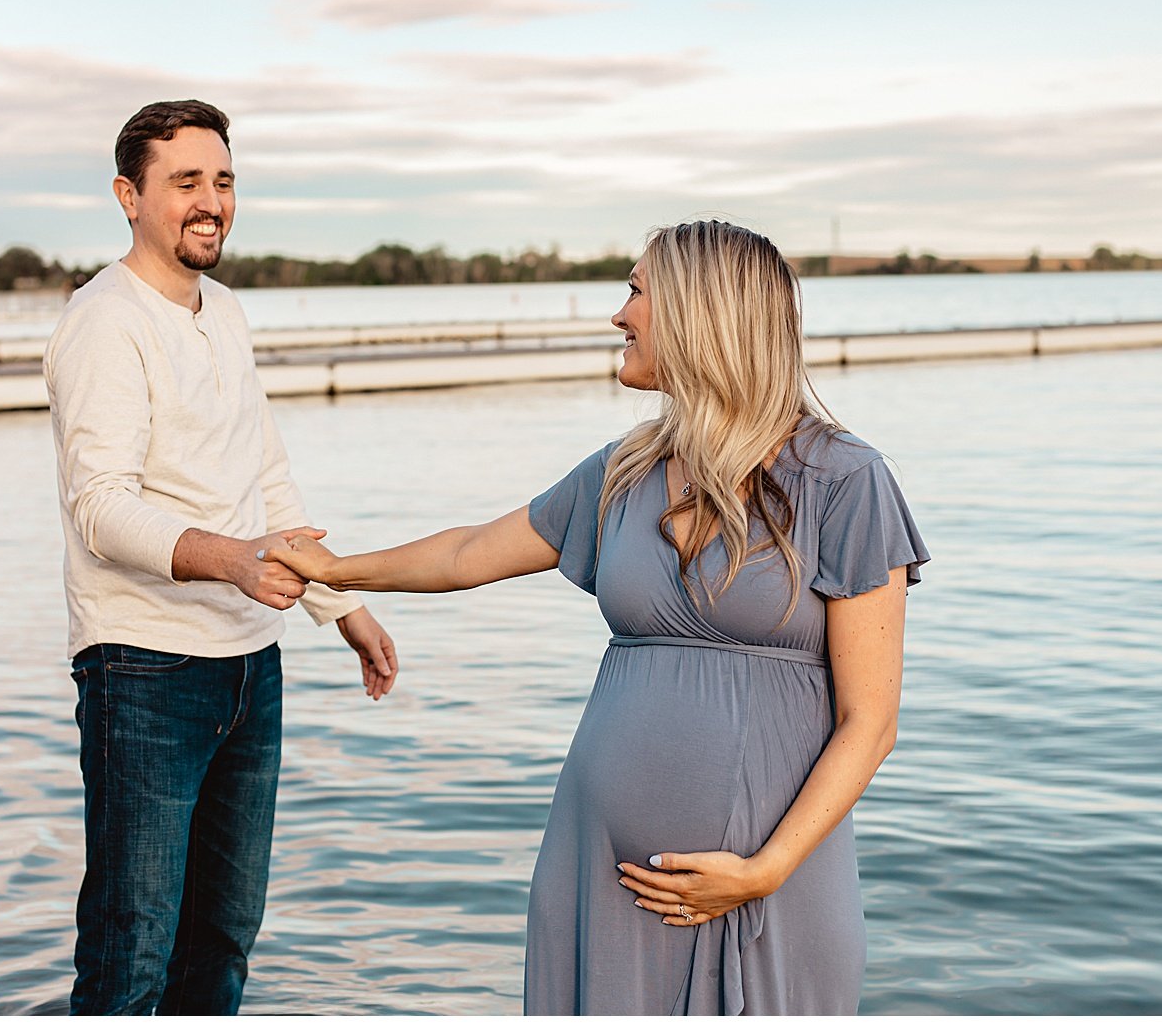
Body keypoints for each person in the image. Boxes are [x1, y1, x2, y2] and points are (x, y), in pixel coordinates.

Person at [264, 219, 928, 1014]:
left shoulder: (844, 480)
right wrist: (337, 569)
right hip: (598, 872)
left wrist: (766, 870)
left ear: (699, 312)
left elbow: (870, 721)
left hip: (764, 881)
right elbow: (470, 551)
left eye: (637, 291)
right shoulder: (626, 468)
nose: (620, 315)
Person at [43, 99, 400, 1015]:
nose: (212, 202)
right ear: (130, 195)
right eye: (186, 183)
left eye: (224, 181)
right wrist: (232, 559)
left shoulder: (227, 311)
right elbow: (101, 510)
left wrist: (341, 605)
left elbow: (264, 474)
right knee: (134, 943)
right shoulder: (102, 322)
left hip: (251, 666)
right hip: (144, 669)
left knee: (224, 941)